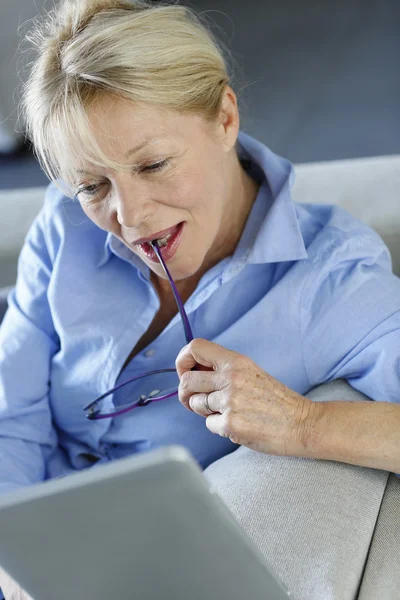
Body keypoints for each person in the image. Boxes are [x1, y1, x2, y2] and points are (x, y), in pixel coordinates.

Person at [0, 0, 400, 597]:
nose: (130, 217)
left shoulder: (332, 281)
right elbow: (14, 426)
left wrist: (304, 422)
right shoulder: (64, 229)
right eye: (92, 185)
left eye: (154, 164)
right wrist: (19, 569)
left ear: (225, 118)